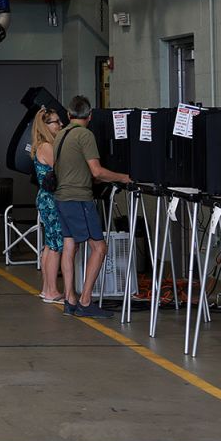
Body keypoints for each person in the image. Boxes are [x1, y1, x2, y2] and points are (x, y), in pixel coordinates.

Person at [53, 95, 131, 318]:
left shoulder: (61, 134)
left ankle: (70, 300)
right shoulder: (85, 135)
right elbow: (96, 171)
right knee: (99, 248)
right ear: (90, 116)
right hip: (79, 199)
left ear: (68, 115)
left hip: (62, 198)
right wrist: (124, 177)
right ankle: (86, 300)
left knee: (70, 247)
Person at [30, 108, 66, 303]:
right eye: (56, 122)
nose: (60, 125)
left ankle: (47, 288)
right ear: (46, 125)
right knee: (55, 246)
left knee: (49, 244)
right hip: (51, 200)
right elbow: (62, 171)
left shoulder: (41, 146)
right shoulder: (47, 147)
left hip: (45, 198)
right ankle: (52, 290)